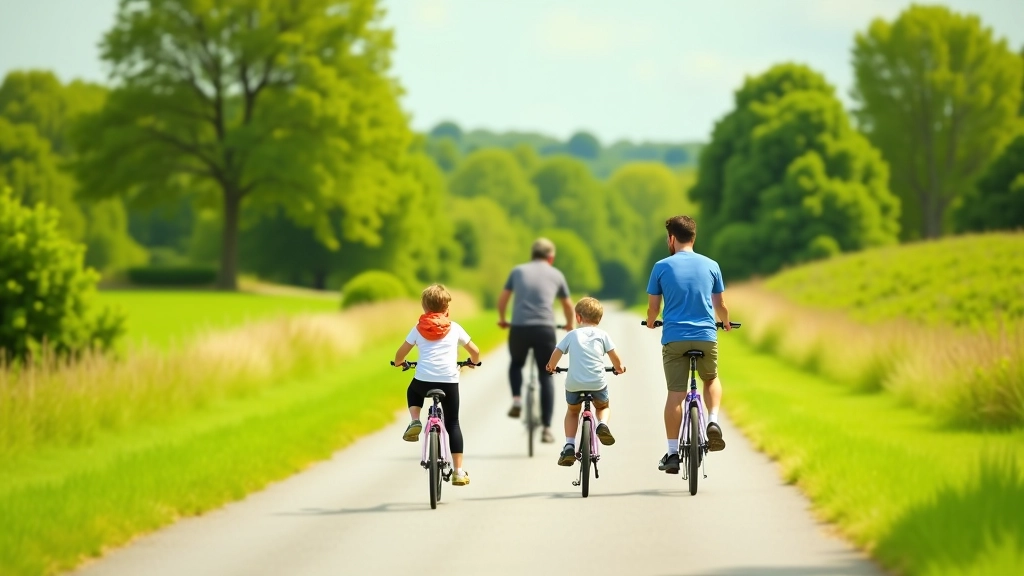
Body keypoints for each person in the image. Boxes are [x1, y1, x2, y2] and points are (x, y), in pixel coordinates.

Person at [645, 215, 731, 474]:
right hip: (706, 336)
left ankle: (672, 453)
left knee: (676, 394)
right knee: (711, 378)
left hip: (674, 338)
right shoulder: (712, 265)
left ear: (671, 238)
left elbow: (653, 308)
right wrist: (725, 323)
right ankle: (713, 420)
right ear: (694, 237)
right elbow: (721, 306)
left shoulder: (661, 266)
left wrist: (651, 322)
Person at [394, 284, 481, 486]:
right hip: (449, 382)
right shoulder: (455, 328)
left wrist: (400, 363)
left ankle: (415, 420)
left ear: (424, 308)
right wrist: (473, 362)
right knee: (453, 424)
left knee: (412, 390)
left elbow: (400, 355)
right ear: (446, 309)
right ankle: (458, 471)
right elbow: (475, 352)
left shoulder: (417, 329)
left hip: (424, 381)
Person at [498, 237, 575, 444]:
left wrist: (504, 319)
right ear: (551, 257)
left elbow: (503, 298)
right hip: (544, 329)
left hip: (520, 328)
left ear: (532, 254)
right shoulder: (556, 274)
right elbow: (568, 305)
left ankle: (516, 399)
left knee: (516, 364)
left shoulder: (518, 271)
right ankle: (547, 429)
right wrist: (569, 325)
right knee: (546, 374)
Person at [545, 297, 625, 467]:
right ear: (599, 319)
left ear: (578, 317)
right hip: (597, 383)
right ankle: (602, 424)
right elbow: (615, 357)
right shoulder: (603, 335)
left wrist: (551, 366)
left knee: (573, 411)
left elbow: (557, 353)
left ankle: (569, 445)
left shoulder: (572, 335)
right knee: (603, 406)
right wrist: (619, 368)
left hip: (574, 384)